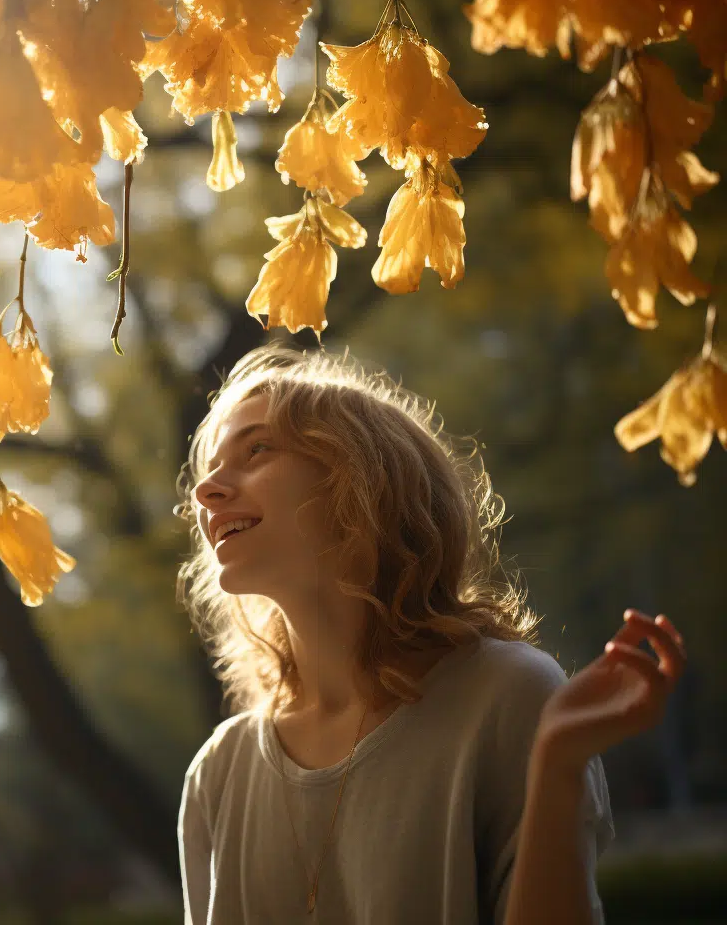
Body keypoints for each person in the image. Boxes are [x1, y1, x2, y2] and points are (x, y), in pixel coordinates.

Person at [174, 342, 687, 924]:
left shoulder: (510, 699)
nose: (205, 490)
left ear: (362, 479)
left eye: (257, 449)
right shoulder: (219, 771)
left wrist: (560, 765)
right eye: (211, 466)